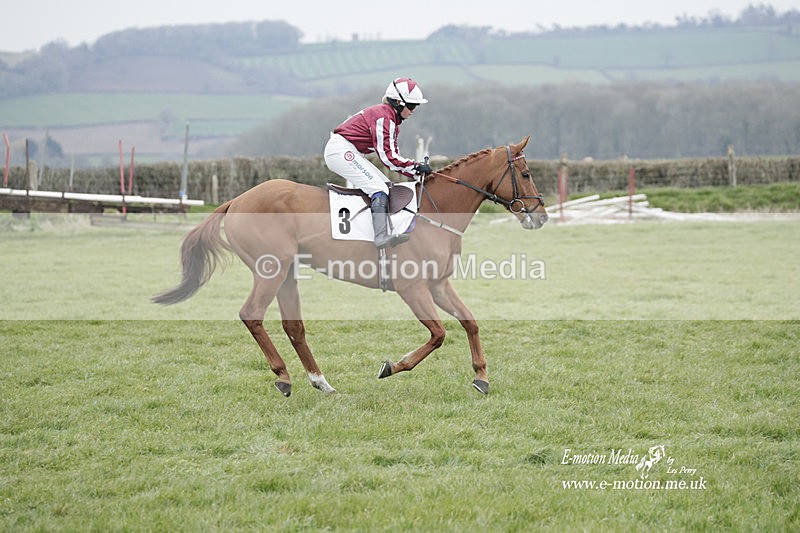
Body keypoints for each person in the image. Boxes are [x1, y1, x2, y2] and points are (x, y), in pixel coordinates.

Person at [324, 77, 432, 249]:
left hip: (349, 150)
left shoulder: (391, 121)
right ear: (398, 102)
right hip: (341, 151)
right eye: (411, 106)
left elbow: (393, 156)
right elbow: (389, 159)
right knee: (379, 189)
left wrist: (415, 170)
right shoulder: (384, 118)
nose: (413, 111)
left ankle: (380, 230)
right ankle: (380, 236)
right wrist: (416, 167)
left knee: (387, 187)